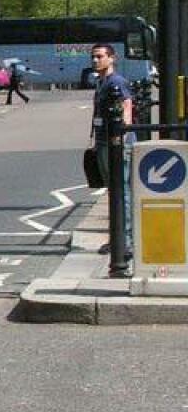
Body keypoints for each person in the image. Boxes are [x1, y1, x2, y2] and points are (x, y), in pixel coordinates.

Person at [90, 42, 134, 259]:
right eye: (94, 57)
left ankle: (125, 242)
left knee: (122, 191)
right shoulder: (101, 82)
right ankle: (117, 238)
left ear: (112, 58)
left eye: (100, 56)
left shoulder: (117, 81)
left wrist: (121, 136)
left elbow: (127, 106)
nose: (95, 60)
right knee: (113, 191)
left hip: (116, 143)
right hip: (104, 141)